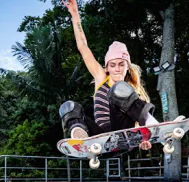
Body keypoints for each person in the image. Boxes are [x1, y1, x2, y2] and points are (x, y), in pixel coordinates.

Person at [60, 0, 159, 151]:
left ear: (127, 66)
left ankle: (151, 123)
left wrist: (144, 138)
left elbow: (136, 125)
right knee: (68, 107)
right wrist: (74, 14)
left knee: (120, 90)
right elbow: (82, 47)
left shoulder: (133, 92)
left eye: (121, 64)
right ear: (107, 68)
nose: (117, 69)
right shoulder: (101, 78)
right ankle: (81, 137)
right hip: (100, 137)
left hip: (122, 133)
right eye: (112, 65)